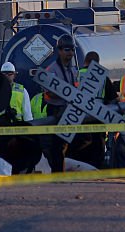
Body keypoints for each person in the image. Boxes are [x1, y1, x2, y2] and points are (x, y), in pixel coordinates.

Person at [40, 34, 79, 172]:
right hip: (56, 110)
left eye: (72, 50)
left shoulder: (73, 70)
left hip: (70, 109)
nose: (70, 53)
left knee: (69, 144)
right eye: (67, 50)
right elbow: (49, 92)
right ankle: (58, 173)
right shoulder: (52, 70)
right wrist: (63, 93)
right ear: (59, 51)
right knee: (57, 146)